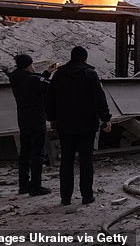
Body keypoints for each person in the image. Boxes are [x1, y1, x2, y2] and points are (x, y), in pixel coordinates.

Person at [47, 46, 112, 206]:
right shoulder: (90, 74)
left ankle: (65, 197)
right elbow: (99, 98)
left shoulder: (59, 75)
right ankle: (87, 196)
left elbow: (49, 99)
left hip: (65, 125)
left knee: (66, 162)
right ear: (85, 58)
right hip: (86, 125)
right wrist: (106, 119)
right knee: (86, 161)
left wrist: (52, 119)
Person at [8, 54, 58, 196]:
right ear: (29, 65)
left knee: (25, 153)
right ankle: (36, 186)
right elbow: (48, 87)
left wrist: (47, 72)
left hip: (23, 120)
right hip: (36, 120)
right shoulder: (32, 80)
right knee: (37, 154)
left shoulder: (17, 79)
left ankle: (23, 185)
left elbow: (37, 82)